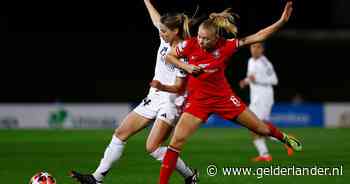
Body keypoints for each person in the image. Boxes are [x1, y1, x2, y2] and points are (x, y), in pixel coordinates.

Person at [150, 1, 302, 184]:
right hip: (198, 102)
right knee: (175, 143)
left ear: (216, 38)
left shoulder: (227, 46)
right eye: (199, 37)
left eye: (206, 39)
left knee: (260, 128)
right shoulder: (190, 45)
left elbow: (258, 36)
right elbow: (169, 56)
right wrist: (186, 66)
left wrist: (281, 22)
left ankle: (284, 137)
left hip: (224, 99)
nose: (201, 41)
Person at [69, 0, 198, 184]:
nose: (160, 33)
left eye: (164, 31)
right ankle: (96, 179)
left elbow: (179, 87)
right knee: (120, 133)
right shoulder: (165, 37)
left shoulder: (183, 52)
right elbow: (156, 20)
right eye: (160, 30)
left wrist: (160, 86)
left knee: (152, 147)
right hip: (154, 96)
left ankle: (190, 176)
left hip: (171, 100)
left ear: (175, 31)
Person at [239, 42, 293, 162]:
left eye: (258, 47)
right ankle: (266, 153)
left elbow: (274, 80)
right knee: (253, 127)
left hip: (264, 97)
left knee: (256, 126)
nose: (255, 49)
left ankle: (284, 142)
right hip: (255, 98)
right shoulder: (251, 61)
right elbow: (252, 77)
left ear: (262, 49)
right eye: (253, 47)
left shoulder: (265, 63)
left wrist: (256, 79)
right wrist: (246, 81)